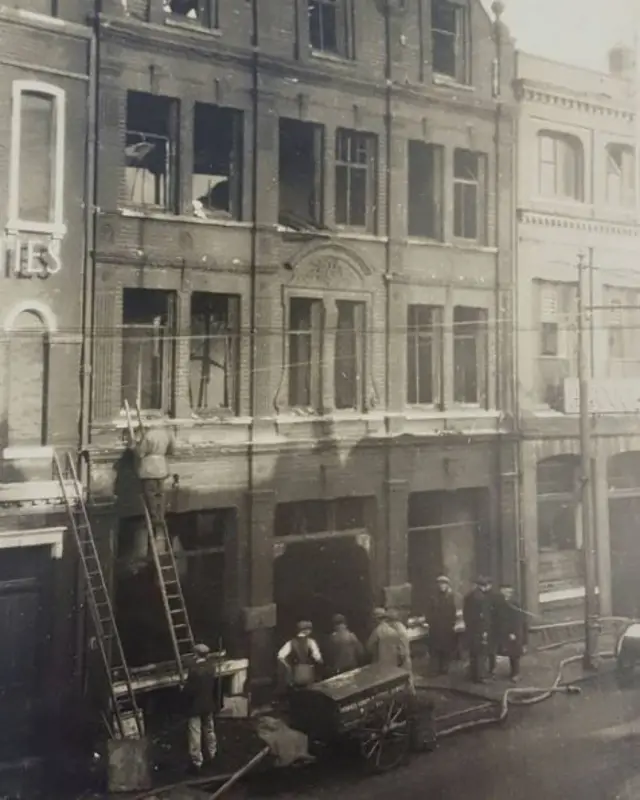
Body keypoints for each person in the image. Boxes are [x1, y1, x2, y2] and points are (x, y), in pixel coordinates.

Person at [131, 421, 176, 537]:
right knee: (160, 494)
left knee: (150, 495)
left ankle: (154, 518)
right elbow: (172, 451)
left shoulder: (148, 435)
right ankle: (161, 517)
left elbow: (140, 453)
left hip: (149, 468)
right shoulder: (167, 434)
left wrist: (133, 445)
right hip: (161, 467)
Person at [183, 643, 217, 772]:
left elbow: (190, 690)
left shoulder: (194, 670)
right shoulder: (211, 667)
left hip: (195, 706)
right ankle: (212, 754)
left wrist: (183, 689)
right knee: (209, 730)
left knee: (195, 733)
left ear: (195, 654)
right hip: (208, 704)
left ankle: (197, 762)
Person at [277, 621, 323, 690]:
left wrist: (287, 667)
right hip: (309, 673)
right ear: (306, 630)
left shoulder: (290, 642)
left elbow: (280, 656)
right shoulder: (311, 642)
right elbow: (318, 658)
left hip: (296, 674)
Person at [463, 577, 492, 683]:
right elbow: (484, 616)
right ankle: (481, 676)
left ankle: (473, 674)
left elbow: (466, 614)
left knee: (473, 653)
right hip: (480, 630)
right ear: (483, 586)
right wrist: (485, 631)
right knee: (481, 654)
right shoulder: (482, 598)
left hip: (470, 629)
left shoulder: (469, 596)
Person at [494, 584, 525, 682]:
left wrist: (513, 632)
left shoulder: (514, 604)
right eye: (504, 592)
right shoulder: (499, 603)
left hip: (513, 631)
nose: (506, 594)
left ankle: (516, 673)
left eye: (508, 592)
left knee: (514, 653)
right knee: (506, 651)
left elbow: (517, 620)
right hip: (503, 630)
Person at [428, 576, 457, 676]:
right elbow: (429, 611)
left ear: (447, 585)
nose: (442, 586)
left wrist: (452, 624)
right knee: (435, 650)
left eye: (444, 584)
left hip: (446, 627)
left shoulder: (450, 596)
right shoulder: (433, 597)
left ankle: (444, 668)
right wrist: (430, 622)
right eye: (440, 584)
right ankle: (434, 670)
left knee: (446, 649)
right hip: (436, 627)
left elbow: (453, 611)